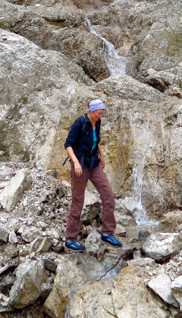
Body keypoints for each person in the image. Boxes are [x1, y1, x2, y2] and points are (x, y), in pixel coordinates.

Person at [64, 98, 122, 252]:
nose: (100, 116)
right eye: (99, 113)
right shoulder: (80, 123)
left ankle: (107, 232)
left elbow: (96, 141)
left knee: (108, 194)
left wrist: (101, 155)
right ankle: (70, 238)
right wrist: (75, 162)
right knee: (78, 200)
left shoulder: (97, 122)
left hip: (93, 163)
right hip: (80, 164)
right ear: (92, 110)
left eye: (102, 113)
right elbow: (68, 144)